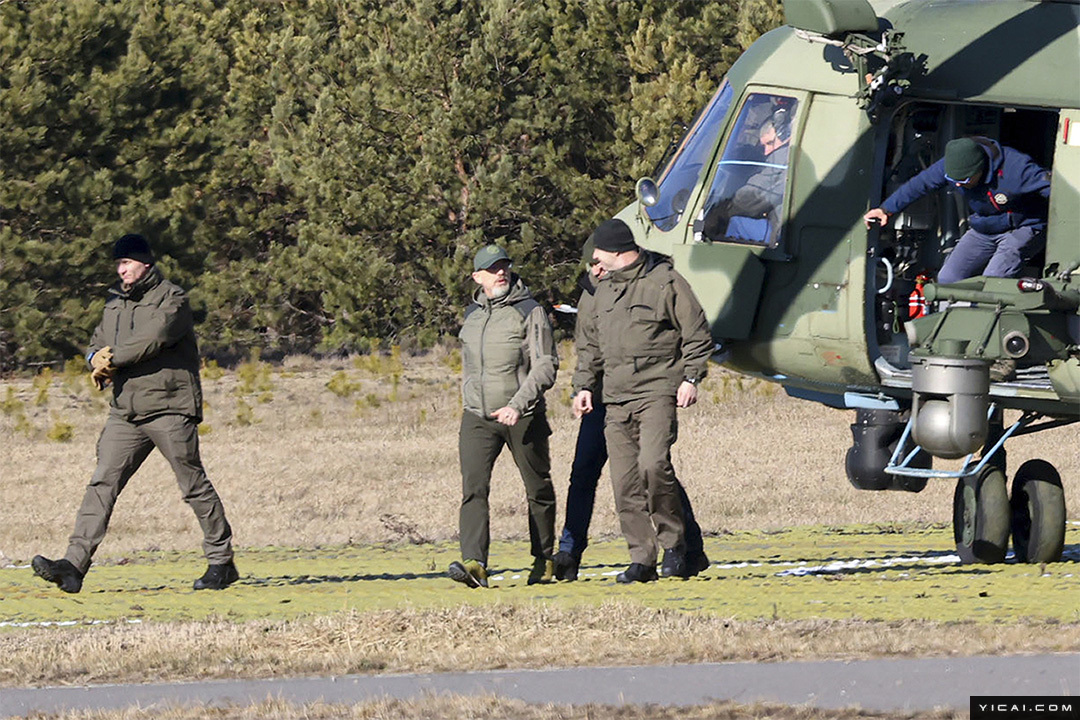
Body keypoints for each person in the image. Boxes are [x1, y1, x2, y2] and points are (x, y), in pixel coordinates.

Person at [31, 234, 237, 594]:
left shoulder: (172, 299)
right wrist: (93, 358)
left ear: (145, 263)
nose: (120, 270)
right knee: (101, 483)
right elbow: (97, 340)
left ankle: (221, 561)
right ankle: (73, 566)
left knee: (192, 485)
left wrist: (111, 359)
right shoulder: (114, 304)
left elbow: (153, 338)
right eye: (118, 264)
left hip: (169, 407)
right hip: (125, 410)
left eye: (126, 262)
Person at [553, 245, 709, 582]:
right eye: (590, 264)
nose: (594, 270)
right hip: (603, 398)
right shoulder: (593, 295)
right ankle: (573, 551)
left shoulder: (658, 283)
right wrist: (582, 388)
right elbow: (587, 348)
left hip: (647, 392)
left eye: (598, 262)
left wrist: (690, 377)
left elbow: (693, 330)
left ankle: (687, 546)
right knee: (592, 475)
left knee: (654, 468)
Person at [448, 245, 559, 588]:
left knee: (537, 488)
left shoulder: (529, 311)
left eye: (504, 267)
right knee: (473, 489)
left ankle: (543, 560)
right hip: (477, 418)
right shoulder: (472, 315)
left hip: (522, 416)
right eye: (493, 268)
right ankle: (474, 563)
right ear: (477, 277)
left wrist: (517, 404)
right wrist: (470, 399)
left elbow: (546, 365)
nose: (501, 273)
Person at [864, 136, 1051, 284]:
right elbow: (919, 185)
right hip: (986, 226)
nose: (959, 184)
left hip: (1024, 226)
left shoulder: (1018, 169)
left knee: (994, 280)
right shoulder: (951, 165)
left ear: (981, 168)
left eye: (965, 181)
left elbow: (1057, 192)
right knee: (948, 279)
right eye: (955, 181)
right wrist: (886, 209)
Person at [703, 108, 792, 245]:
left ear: (785, 135)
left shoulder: (783, 157)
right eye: (764, 146)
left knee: (735, 226)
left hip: (784, 238)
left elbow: (752, 198)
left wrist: (721, 210)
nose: (767, 152)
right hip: (786, 230)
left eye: (770, 143)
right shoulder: (788, 155)